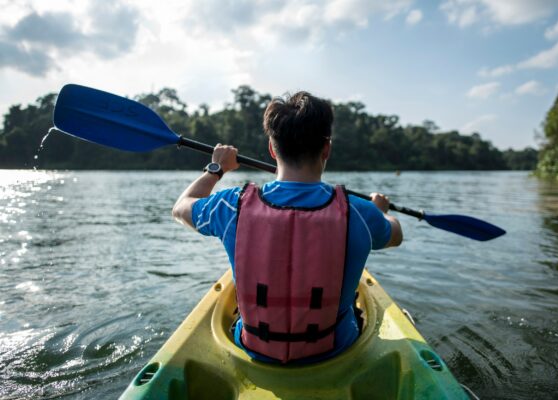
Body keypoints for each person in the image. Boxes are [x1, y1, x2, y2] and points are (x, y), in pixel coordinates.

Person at [172, 91, 402, 364]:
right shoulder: (360, 213)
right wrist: (379, 211)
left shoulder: (232, 205)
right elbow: (395, 234)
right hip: (336, 349)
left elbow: (181, 208)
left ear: (272, 148)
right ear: (326, 148)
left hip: (254, 349)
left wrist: (216, 169)